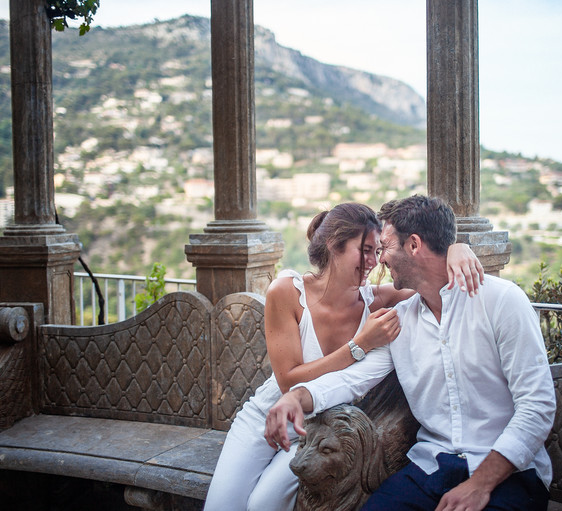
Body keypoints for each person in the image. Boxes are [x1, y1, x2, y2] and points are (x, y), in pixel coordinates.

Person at [265, 195, 556, 511]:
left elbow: (537, 406)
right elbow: (350, 381)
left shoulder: (502, 301)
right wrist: (297, 397)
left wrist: (479, 485)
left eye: (385, 247)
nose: (380, 259)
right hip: (430, 468)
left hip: (507, 473)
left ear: (414, 245)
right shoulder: (399, 321)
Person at [204, 202, 484, 511]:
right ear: (333, 245)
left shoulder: (378, 299)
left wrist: (456, 248)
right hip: (266, 414)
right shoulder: (286, 292)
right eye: (364, 250)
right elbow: (288, 381)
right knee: (221, 504)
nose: (372, 262)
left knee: (262, 505)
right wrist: (359, 345)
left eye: (377, 252)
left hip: (319, 432)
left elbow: (431, 279)